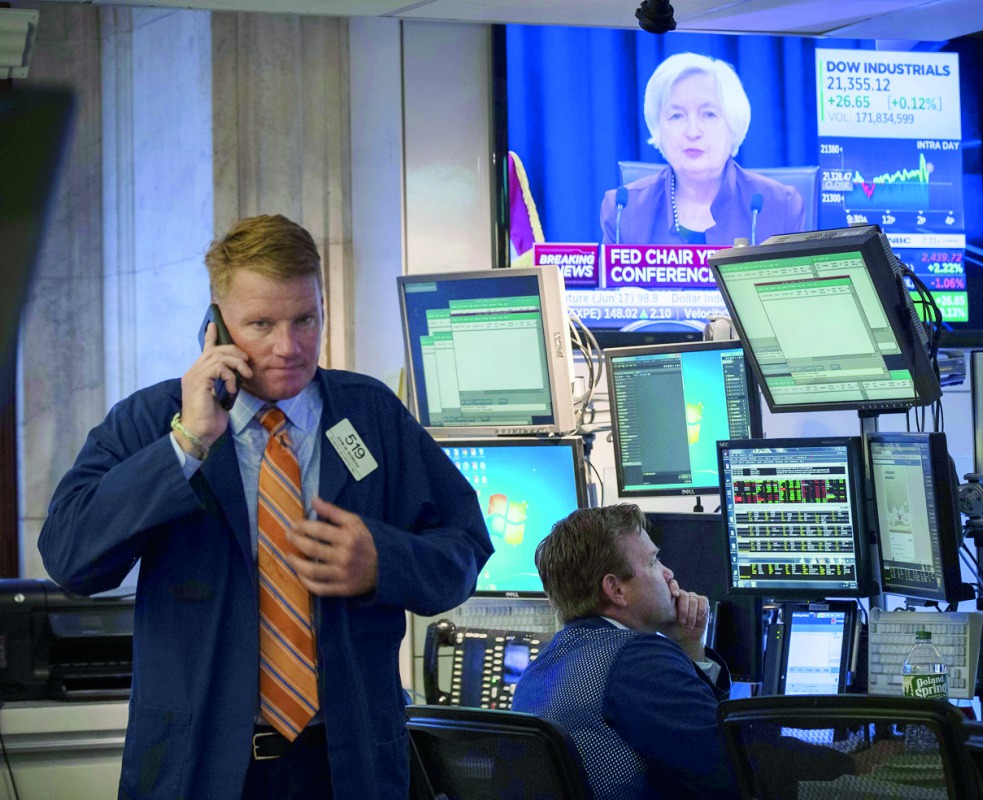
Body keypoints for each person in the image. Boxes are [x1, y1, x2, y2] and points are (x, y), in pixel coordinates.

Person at [38, 214, 493, 800]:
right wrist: (187, 443)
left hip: (346, 765)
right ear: (216, 325)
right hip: (198, 769)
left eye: (305, 319)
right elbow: (69, 557)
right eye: (261, 324)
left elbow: (465, 546)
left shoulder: (368, 415)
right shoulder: (152, 420)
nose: (289, 346)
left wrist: (384, 562)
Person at [511, 504, 739, 800]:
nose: (668, 573)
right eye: (653, 562)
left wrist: (688, 644)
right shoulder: (638, 659)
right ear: (616, 590)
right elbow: (732, 768)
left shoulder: (538, 669)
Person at [600, 52, 806, 246]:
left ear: (734, 125)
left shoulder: (780, 207)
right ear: (657, 128)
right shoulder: (624, 212)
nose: (692, 132)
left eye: (708, 114)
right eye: (676, 116)